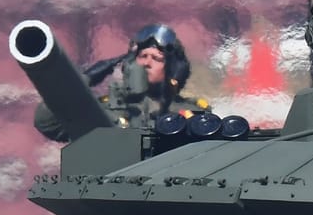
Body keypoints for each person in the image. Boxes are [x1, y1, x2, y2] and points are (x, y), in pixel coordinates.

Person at [33, 23, 214, 141]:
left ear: (173, 70)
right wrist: (86, 79)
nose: (146, 63)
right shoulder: (103, 111)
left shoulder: (191, 113)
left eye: (156, 59)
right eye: (142, 56)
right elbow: (47, 122)